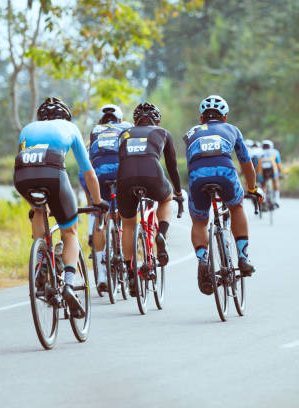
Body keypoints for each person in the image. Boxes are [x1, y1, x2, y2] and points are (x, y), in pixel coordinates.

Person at [13, 97, 108, 318]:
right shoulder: (69, 127)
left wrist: (35, 204)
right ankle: (68, 284)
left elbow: (24, 162)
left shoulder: (27, 128)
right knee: (70, 231)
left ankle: (40, 261)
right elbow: (89, 173)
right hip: (53, 174)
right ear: (64, 116)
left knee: (38, 210)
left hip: (22, 176)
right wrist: (97, 201)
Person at [183, 95, 264, 296]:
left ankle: (203, 258)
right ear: (225, 117)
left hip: (198, 176)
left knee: (200, 221)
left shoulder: (191, 133)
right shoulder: (232, 130)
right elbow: (246, 164)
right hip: (225, 173)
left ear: (201, 118)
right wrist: (253, 188)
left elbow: (191, 162)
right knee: (236, 207)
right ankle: (243, 257)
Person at [116, 102, 184, 295]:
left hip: (125, 177)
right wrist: (178, 193)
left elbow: (121, 160)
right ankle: (160, 234)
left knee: (128, 225)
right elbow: (172, 166)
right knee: (166, 198)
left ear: (135, 121)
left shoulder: (124, 134)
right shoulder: (162, 132)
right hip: (152, 175)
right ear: (158, 120)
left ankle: (130, 274)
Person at [87, 104, 133, 292]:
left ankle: (102, 273)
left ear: (100, 121)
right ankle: (125, 252)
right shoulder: (127, 127)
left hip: (99, 174)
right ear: (120, 120)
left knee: (101, 216)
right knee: (127, 216)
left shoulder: (95, 130)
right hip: (122, 172)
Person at [257, 139, 282, 207]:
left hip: (262, 172)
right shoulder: (275, 152)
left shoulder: (259, 153)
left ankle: (264, 200)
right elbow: (278, 164)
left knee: (263, 186)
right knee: (275, 182)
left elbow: (257, 165)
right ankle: (277, 200)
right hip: (273, 171)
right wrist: (280, 172)